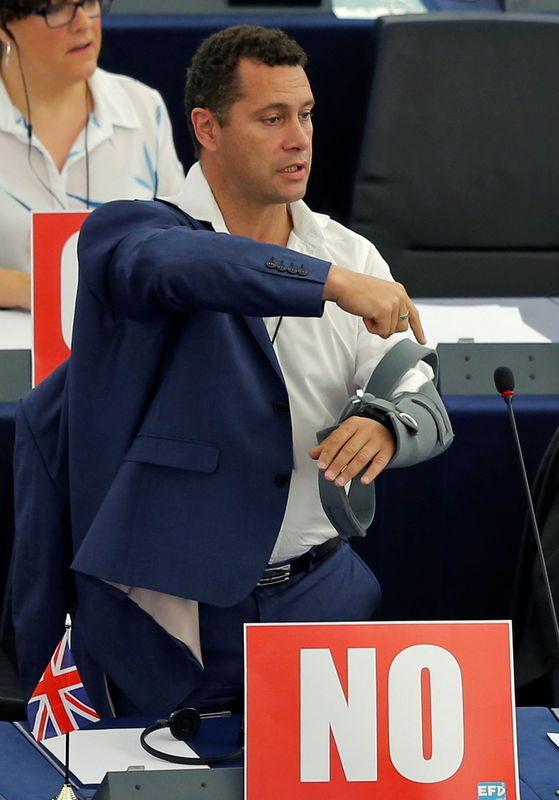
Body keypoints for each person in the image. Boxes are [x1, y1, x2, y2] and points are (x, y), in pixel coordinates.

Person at [12, 25, 453, 718]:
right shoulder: (128, 236)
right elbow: (192, 269)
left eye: (305, 115)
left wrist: (386, 424)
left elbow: (422, 393)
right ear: (206, 128)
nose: (298, 138)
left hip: (322, 599)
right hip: (174, 616)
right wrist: (325, 284)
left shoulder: (351, 252)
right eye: (271, 118)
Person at [0, 0, 184, 310]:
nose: (83, 23)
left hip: (129, 339)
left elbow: (183, 243)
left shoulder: (142, 107)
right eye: (56, 9)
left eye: (88, 3)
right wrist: (34, 290)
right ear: (5, 29)